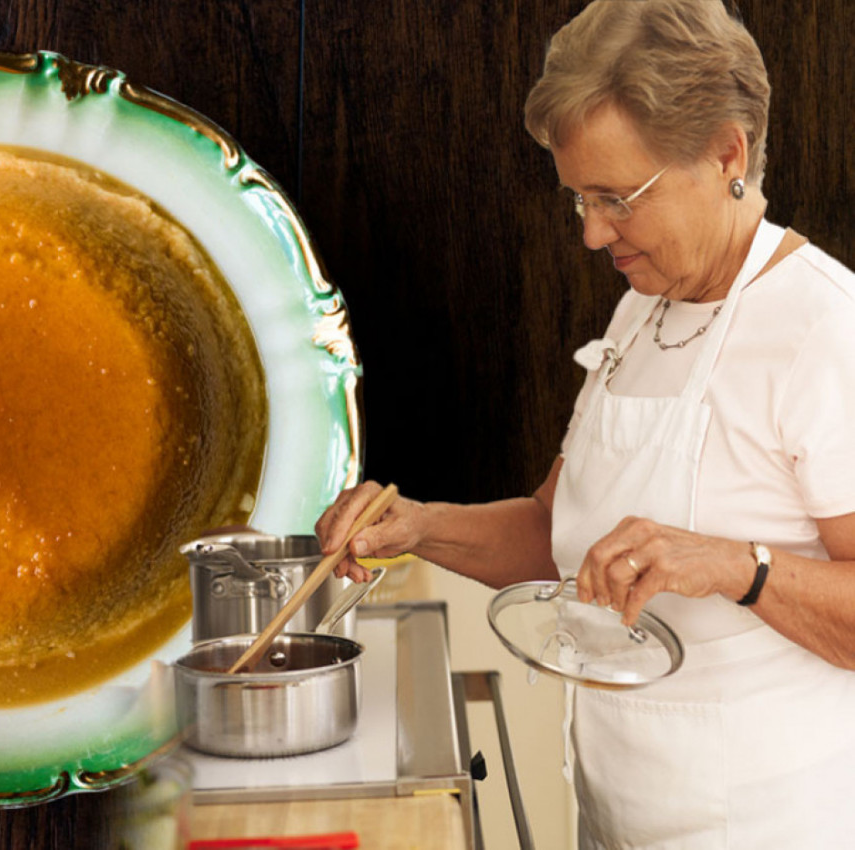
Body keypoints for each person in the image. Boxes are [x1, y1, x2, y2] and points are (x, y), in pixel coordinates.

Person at [314, 1, 855, 847]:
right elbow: (551, 532)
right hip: (613, 817)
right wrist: (416, 527)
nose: (593, 233)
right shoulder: (646, 307)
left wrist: (734, 566)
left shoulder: (823, 332)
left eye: (616, 199)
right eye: (578, 201)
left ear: (726, 154)